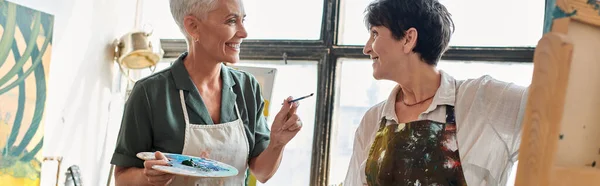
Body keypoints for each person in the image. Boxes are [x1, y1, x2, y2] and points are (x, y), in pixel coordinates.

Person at [110, 0, 304, 185]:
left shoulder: (247, 88)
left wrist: (277, 143)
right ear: (193, 26)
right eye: (231, 21)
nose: (244, 33)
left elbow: (262, 173)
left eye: (242, 20)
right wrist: (148, 177)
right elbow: (122, 179)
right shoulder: (149, 93)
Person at [343, 0, 529, 185]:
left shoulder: (481, 99)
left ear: (408, 39)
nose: (366, 48)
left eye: (375, 34)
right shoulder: (372, 120)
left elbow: (553, 107)